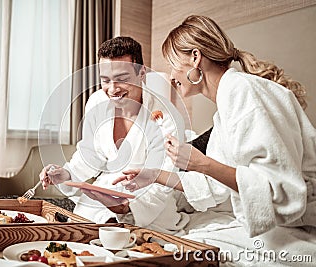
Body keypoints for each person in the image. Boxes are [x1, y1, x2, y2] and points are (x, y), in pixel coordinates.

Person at [114, 15, 316, 265]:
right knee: (180, 246)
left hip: (293, 232)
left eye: (172, 62)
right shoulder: (226, 108)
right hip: (269, 229)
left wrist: (200, 163)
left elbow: (281, 192)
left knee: (183, 253)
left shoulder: (244, 92)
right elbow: (213, 186)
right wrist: (154, 175)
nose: (170, 74)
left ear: (195, 58)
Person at [40, 36, 193, 234]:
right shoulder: (96, 102)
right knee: (82, 232)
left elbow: (164, 179)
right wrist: (65, 174)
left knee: (138, 238)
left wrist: (128, 208)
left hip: (149, 202)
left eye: (122, 79)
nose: (112, 89)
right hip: (105, 193)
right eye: (105, 80)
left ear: (141, 74)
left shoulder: (168, 117)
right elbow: (90, 155)